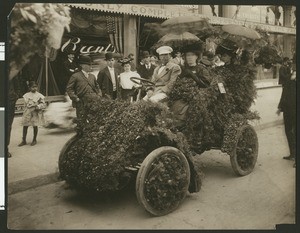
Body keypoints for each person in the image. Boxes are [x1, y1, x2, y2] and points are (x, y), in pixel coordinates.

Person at [66, 55, 102, 120]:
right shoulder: (75, 76)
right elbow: (69, 89)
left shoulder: (92, 76)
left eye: (91, 65)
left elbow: (97, 87)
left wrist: (99, 95)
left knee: (93, 120)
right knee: (82, 120)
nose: (90, 67)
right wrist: (76, 98)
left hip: (93, 101)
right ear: (82, 65)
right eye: (88, 65)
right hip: (81, 102)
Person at [277, 59, 296, 167]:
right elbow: (284, 92)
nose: (292, 65)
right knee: (288, 131)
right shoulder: (290, 76)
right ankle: (293, 154)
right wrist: (280, 107)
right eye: (293, 63)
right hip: (288, 109)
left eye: (294, 63)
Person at [18, 81, 46, 146]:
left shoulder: (39, 95)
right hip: (27, 112)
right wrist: (26, 109)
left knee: (35, 125)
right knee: (25, 125)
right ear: (30, 87)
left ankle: (34, 139)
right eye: (33, 87)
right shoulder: (26, 95)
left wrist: (38, 106)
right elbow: (25, 104)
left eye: (36, 87)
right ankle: (24, 140)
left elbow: (43, 103)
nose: (34, 88)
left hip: (35, 112)